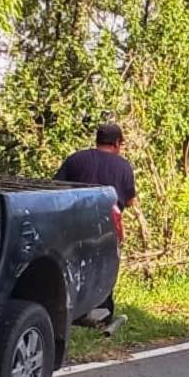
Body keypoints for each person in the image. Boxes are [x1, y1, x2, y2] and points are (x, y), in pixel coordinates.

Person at [56, 123, 137, 319]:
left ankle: (69, 311)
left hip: (74, 223)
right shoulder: (123, 166)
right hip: (107, 226)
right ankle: (102, 314)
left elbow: (56, 187)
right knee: (105, 268)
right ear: (117, 143)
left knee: (72, 267)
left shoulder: (76, 159)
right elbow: (130, 200)